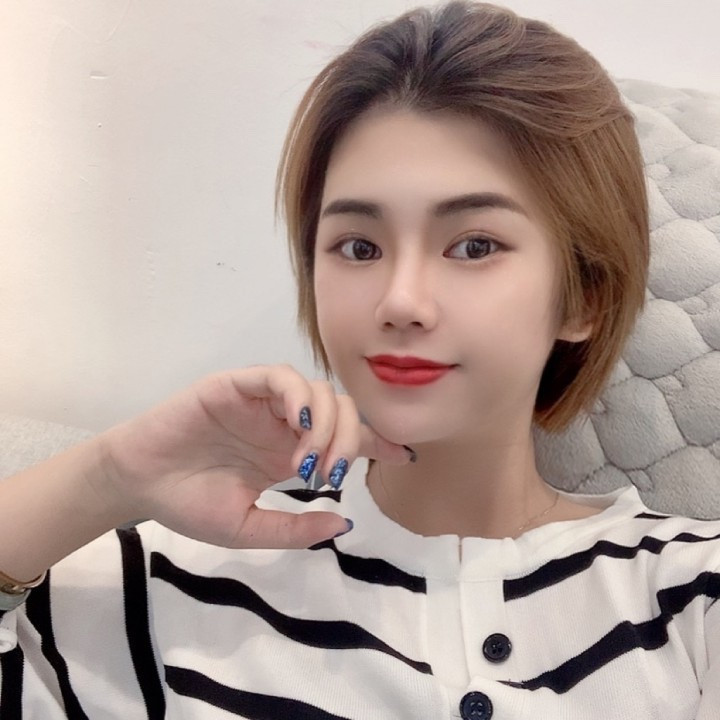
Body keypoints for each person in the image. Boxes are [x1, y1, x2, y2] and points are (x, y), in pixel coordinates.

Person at [1, 1, 718, 717]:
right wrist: (109, 475)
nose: (400, 301)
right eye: (359, 247)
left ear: (584, 295)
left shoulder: (692, 593)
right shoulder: (166, 579)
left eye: (474, 245)